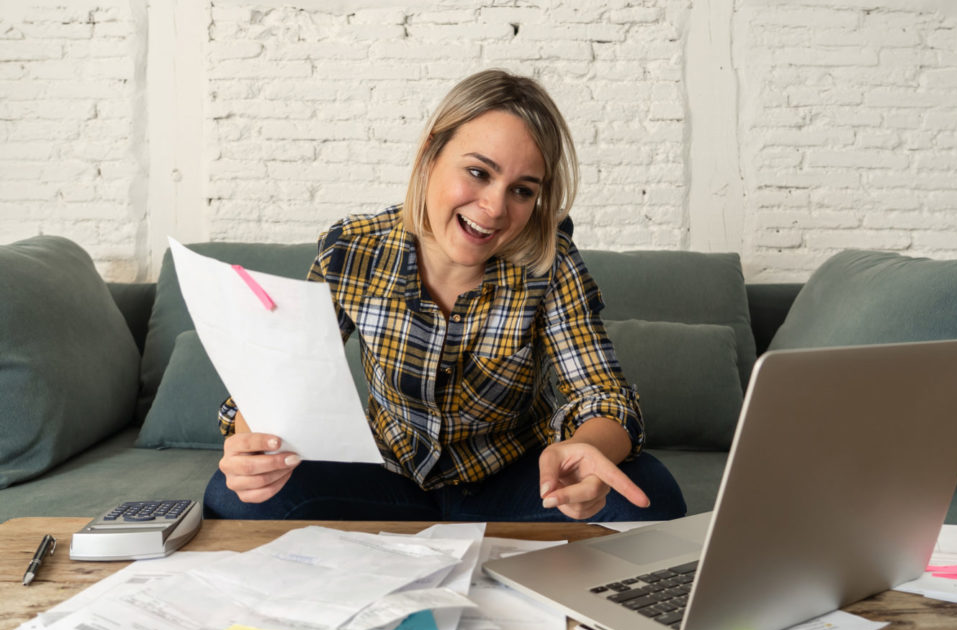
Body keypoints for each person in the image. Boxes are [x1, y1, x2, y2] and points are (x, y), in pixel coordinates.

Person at [203, 69, 687, 522]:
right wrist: (251, 449)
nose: (495, 208)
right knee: (232, 497)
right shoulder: (352, 249)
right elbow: (284, 376)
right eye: (478, 172)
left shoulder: (550, 261)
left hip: (514, 484)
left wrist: (585, 452)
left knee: (649, 494)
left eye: (521, 190)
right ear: (431, 152)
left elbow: (603, 395)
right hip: (386, 482)